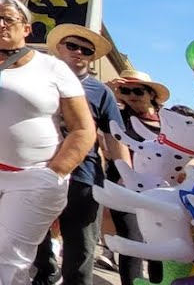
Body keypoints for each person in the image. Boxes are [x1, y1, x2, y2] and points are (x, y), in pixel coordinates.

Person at [0, 0, 96, 285]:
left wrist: (56, 172)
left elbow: (83, 128)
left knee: (6, 255)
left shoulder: (54, 68)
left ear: (26, 28)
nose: (0, 24)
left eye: (8, 19)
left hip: (35, 177)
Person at [30, 24, 131, 285]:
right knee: (35, 237)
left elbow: (115, 136)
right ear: (59, 48)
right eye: (72, 46)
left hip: (84, 176)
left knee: (81, 247)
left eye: (86, 50)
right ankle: (45, 275)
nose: (78, 52)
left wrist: (125, 177)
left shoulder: (101, 92)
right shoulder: (38, 80)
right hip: (38, 169)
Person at [105, 69, 170, 285]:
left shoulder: (171, 121)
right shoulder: (117, 117)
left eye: (138, 90)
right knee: (132, 241)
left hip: (162, 191)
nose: (132, 95)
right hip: (124, 187)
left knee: (160, 245)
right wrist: (110, 93)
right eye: (126, 90)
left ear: (151, 94)